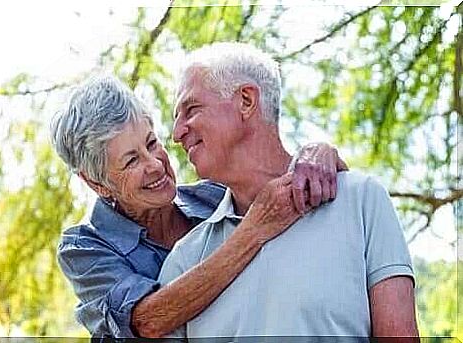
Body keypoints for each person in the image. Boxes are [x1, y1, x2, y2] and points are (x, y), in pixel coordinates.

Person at [50, 75, 347, 338]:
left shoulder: (213, 198)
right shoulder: (84, 246)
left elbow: (288, 193)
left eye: (152, 143)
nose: (155, 165)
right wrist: (254, 229)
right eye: (131, 160)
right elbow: (148, 321)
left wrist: (316, 155)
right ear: (96, 183)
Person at [159, 42, 419, 339]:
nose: (176, 133)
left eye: (191, 109)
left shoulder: (360, 201)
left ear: (246, 100)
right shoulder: (185, 260)